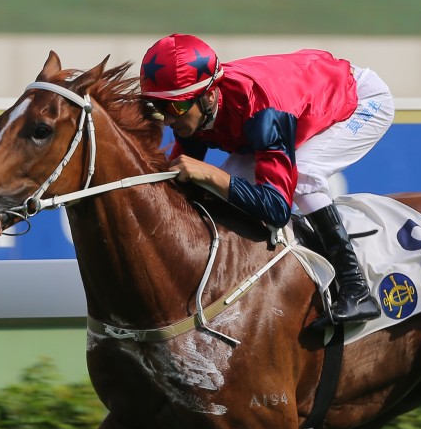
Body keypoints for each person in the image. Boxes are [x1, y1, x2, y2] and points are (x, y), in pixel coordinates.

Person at [139, 33, 395, 327]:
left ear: (210, 96)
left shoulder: (262, 110)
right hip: (296, 103)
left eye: (176, 108)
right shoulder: (198, 105)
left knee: (305, 176)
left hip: (360, 100)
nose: (169, 121)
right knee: (214, 187)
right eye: (159, 108)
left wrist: (212, 173)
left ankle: (356, 289)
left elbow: (276, 208)